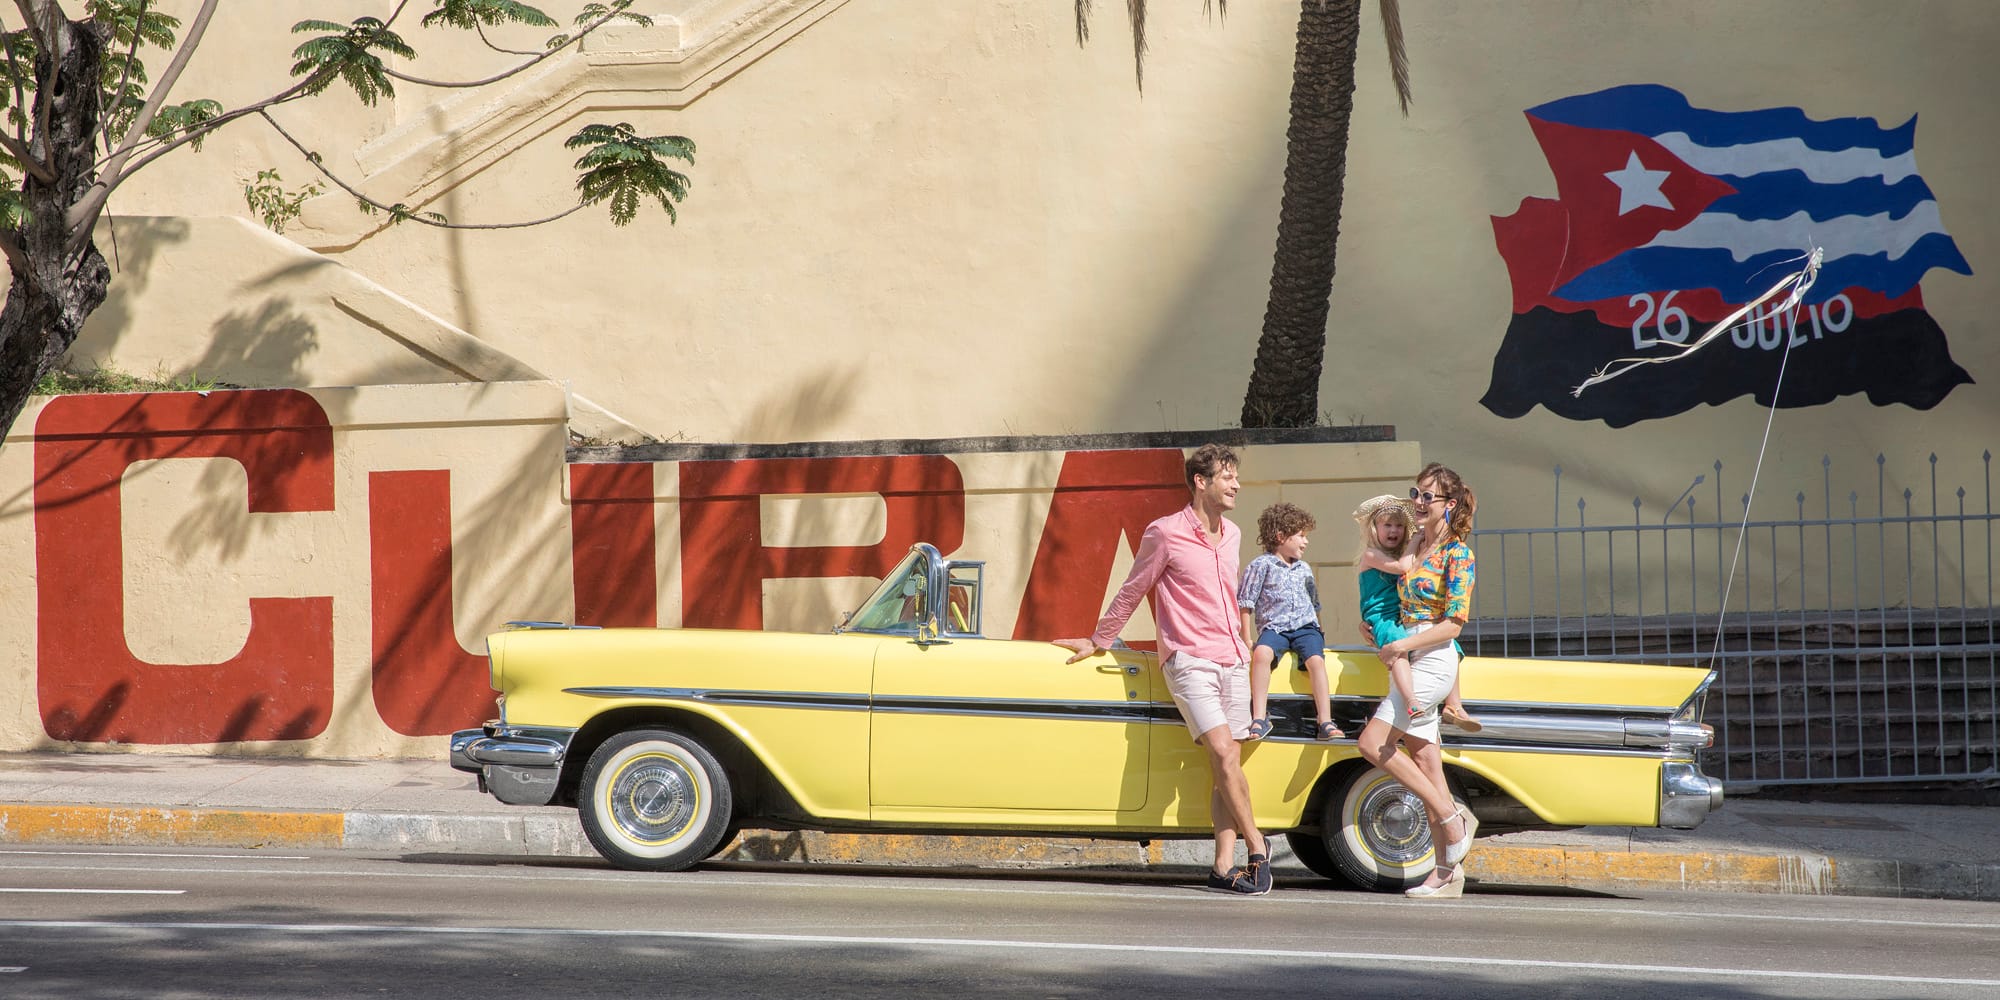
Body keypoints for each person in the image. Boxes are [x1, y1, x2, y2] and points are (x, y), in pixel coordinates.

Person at [1053, 443, 1272, 896]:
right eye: (1227, 476)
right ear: (1201, 481)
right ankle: (1257, 845)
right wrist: (1099, 639)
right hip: (1189, 659)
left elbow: (1231, 598)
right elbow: (1134, 589)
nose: (1236, 484)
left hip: (1232, 658)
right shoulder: (1165, 532)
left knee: (1223, 763)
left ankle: (1222, 867)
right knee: (1225, 753)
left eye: (1236, 476)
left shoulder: (1232, 534)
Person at [1354, 463, 1479, 899]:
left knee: (1372, 744)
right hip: (1406, 649)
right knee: (1426, 762)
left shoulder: (1457, 553)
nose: (1419, 502)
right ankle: (1447, 872)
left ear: (1450, 505)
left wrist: (1403, 647)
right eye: (1416, 493)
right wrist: (1370, 628)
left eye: (1429, 496)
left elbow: (1454, 625)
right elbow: (1388, 600)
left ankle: (1451, 817)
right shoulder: (1414, 545)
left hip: (1432, 659)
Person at [1352, 496, 1480, 733]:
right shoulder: (1372, 554)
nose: (1394, 531)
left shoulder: (1402, 555)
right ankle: (1411, 700)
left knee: (1454, 647)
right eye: (1387, 525)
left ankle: (1454, 705)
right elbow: (1403, 568)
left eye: (1399, 526)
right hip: (1383, 616)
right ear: (1374, 528)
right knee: (1397, 650)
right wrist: (1414, 542)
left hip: (1399, 614)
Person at [1237, 502, 1340, 742]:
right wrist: (1246, 638)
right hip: (1276, 627)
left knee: (1316, 660)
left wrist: (1319, 631)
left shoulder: (1304, 568)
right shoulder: (1261, 565)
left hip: (1306, 627)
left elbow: (1315, 603)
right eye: (1301, 536)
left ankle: (1324, 720)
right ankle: (1259, 717)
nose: (1306, 542)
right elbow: (1245, 602)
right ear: (1281, 536)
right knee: (1262, 653)